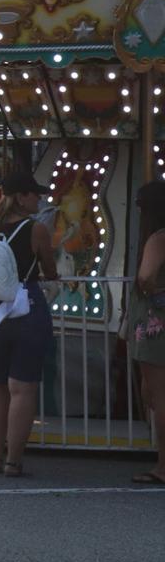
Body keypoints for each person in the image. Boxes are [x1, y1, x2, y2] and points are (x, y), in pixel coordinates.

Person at [0, 172, 60, 478]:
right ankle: (13, 461)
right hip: (25, 308)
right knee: (23, 387)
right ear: (21, 196)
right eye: (35, 194)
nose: (39, 199)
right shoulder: (37, 229)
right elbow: (50, 269)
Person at [126, 180, 165, 485]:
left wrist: (151, 289)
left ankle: (162, 465)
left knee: (158, 395)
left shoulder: (158, 238)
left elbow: (146, 275)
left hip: (155, 323)